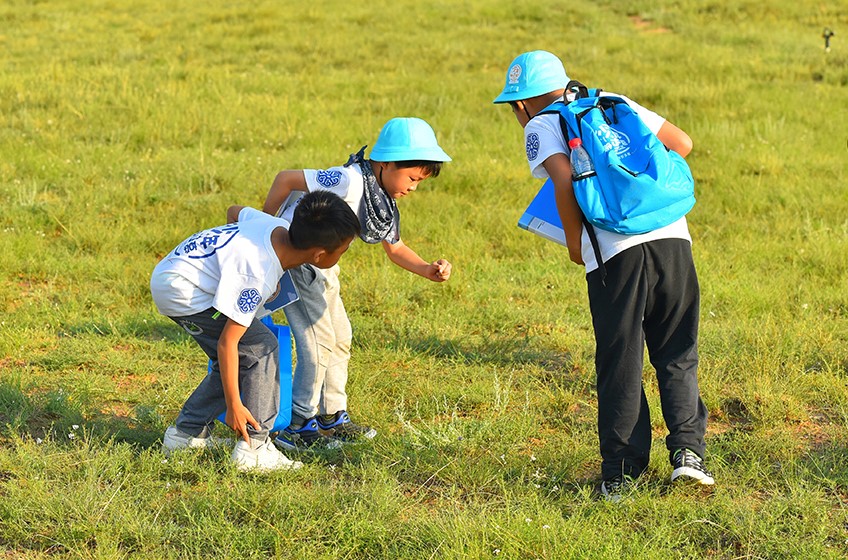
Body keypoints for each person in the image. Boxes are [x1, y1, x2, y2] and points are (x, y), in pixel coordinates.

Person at [493, 50, 713, 501]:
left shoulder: (541, 124)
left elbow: (563, 182)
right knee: (677, 352)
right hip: (674, 239)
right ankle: (688, 457)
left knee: (621, 361)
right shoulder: (612, 100)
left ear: (521, 103)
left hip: (616, 254)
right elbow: (682, 143)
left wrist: (576, 243)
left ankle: (621, 474)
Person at [262, 117, 452, 450]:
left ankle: (332, 416)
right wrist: (265, 228)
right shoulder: (348, 180)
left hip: (324, 267)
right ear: (386, 163)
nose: (413, 188)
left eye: (420, 182)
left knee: (341, 336)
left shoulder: (382, 198)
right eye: (411, 178)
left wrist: (427, 269)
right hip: (299, 262)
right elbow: (286, 178)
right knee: (318, 342)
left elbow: (395, 248)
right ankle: (299, 425)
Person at [151, 190, 361, 472]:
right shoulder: (257, 275)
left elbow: (234, 210)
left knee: (243, 355)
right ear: (319, 255)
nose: (343, 254)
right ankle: (254, 448)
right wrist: (234, 405)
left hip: (176, 270)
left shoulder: (275, 226)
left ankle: (186, 435)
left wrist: (228, 261)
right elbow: (227, 343)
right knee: (262, 349)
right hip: (184, 293)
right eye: (343, 250)